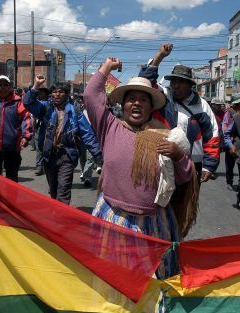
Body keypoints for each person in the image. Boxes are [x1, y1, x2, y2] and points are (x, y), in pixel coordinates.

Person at [84, 57, 198, 277]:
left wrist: (177, 156)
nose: (136, 104)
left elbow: (184, 178)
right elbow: (90, 96)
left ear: (150, 107)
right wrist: (107, 66)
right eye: (131, 99)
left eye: (143, 100)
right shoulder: (110, 127)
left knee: (151, 284)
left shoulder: (164, 135)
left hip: (154, 225)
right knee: (112, 278)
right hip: (113, 219)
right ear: (123, 105)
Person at [139, 44, 220, 184]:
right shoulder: (164, 96)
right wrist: (160, 56)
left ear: (190, 85)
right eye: (174, 81)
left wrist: (208, 166)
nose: (176, 85)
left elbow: (212, 136)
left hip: (190, 164)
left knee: (185, 205)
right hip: (160, 158)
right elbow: (144, 81)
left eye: (181, 82)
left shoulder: (202, 106)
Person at [23, 75, 102, 204]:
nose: (57, 94)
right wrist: (36, 85)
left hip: (67, 155)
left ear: (66, 94)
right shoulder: (45, 108)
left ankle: (62, 219)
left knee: (64, 189)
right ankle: (57, 213)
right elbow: (27, 102)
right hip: (49, 155)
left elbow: (87, 134)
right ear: (51, 94)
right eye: (55, 92)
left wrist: (98, 154)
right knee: (53, 190)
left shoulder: (74, 111)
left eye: (61, 92)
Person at [33, 87, 50, 176]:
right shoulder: (36, 102)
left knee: (48, 148)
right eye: (39, 92)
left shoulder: (50, 103)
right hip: (39, 127)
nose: (40, 94)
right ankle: (39, 166)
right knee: (39, 148)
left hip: (49, 128)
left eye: (42, 92)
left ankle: (48, 166)